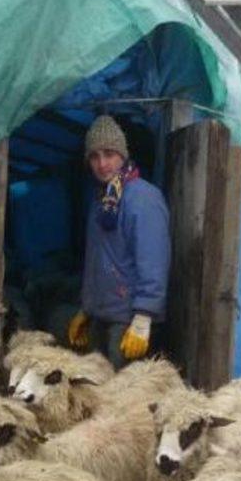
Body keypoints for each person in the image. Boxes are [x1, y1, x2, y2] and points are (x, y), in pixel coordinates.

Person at [68, 115, 171, 369]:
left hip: (127, 323)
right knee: (98, 395)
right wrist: (87, 307)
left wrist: (143, 317)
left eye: (109, 154)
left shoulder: (143, 198)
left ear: (123, 155)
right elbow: (97, 261)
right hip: (102, 317)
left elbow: (154, 259)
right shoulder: (102, 202)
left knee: (123, 401)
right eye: (94, 156)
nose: (102, 164)